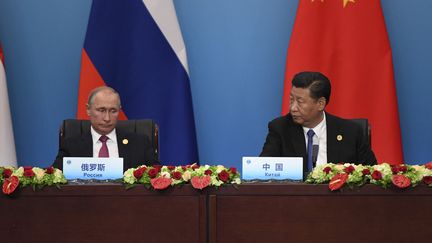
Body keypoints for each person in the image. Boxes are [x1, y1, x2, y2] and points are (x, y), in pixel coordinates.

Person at [260, 71, 376, 173]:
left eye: (300, 102)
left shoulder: (351, 132)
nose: (293, 108)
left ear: (320, 104)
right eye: (291, 100)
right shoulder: (280, 128)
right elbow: (262, 170)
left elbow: (372, 175)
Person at [53, 86, 159, 171]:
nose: (107, 118)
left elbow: (158, 175)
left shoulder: (140, 143)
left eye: (113, 111)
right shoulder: (71, 145)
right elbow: (54, 177)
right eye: (101, 110)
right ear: (88, 109)